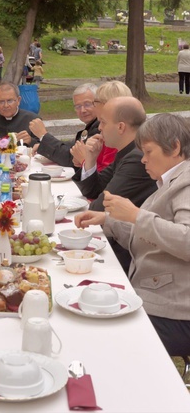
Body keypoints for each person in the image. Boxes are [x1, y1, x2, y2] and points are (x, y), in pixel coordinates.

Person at [75, 113, 190, 357]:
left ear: (175, 147)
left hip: (176, 312)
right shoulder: (170, 181)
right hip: (157, 297)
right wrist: (109, 220)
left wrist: (137, 215)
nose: (143, 160)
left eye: (149, 152)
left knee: (94, 326)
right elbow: (151, 238)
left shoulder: (186, 183)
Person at [73, 96, 157, 273]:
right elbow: (93, 189)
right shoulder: (126, 151)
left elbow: (97, 207)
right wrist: (90, 159)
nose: (100, 127)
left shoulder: (136, 157)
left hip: (129, 253)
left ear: (120, 127)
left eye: (103, 122)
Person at [30, 83, 100, 168]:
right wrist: (45, 144)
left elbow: (69, 158)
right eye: (78, 106)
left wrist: (43, 136)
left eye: (87, 104)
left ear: (98, 103)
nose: (83, 110)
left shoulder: (100, 127)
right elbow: (74, 145)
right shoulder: (93, 124)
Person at [69, 80, 133, 171]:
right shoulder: (110, 137)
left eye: (103, 122)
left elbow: (106, 180)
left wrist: (85, 161)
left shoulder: (119, 141)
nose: (99, 127)